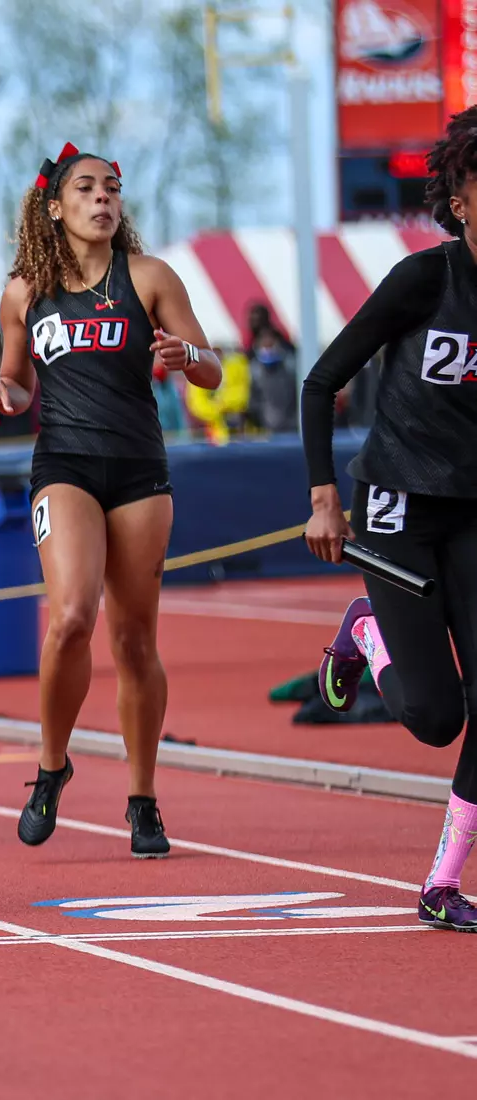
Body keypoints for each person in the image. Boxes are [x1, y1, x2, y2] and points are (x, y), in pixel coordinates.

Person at [0, 142, 222, 858]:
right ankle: (52, 766)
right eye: (86, 188)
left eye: (111, 187)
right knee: (71, 618)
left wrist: (185, 357)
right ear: (55, 207)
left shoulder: (148, 276)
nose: (103, 198)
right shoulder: (24, 292)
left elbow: (210, 367)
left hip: (140, 468)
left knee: (135, 639)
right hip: (65, 466)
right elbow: (20, 383)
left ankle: (143, 799)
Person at [303, 105, 477, 932]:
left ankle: (442, 883)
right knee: (435, 719)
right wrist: (323, 497)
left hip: (473, 511)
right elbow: (319, 382)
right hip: (397, 507)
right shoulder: (424, 280)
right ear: (461, 202)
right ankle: (368, 633)